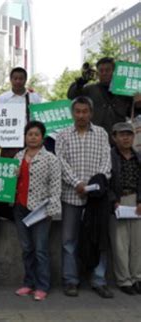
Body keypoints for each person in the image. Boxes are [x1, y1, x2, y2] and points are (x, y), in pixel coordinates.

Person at [55, 96, 112, 298]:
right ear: (72, 113)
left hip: (97, 198)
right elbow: (60, 162)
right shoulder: (62, 135)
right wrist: (77, 183)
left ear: (91, 113)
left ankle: (99, 280)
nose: (81, 115)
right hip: (72, 195)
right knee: (69, 240)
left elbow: (106, 161)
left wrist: (95, 184)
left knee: (99, 239)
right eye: (77, 111)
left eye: (85, 111)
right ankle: (71, 280)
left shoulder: (102, 134)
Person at [13, 121, 61, 301]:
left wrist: (52, 208)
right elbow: (9, 183)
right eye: (29, 134)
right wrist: (13, 175)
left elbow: (55, 186)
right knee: (26, 249)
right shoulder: (18, 156)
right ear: (24, 137)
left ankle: (42, 286)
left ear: (42, 137)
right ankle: (28, 283)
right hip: (20, 208)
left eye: (36, 134)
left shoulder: (51, 158)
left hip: (40, 211)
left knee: (41, 249)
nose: (32, 137)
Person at [67, 57, 141, 138]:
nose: (104, 73)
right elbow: (71, 95)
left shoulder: (123, 91)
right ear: (98, 73)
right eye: (101, 71)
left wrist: (138, 104)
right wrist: (82, 81)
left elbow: (132, 114)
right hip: (96, 137)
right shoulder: (90, 89)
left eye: (108, 70)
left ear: (114, 72)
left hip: (118, 138)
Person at [108, 122, 141, 295]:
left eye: (129, 134)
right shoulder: (109, 156)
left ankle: (137, 277)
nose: (126, 137)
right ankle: (124, 280)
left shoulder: (138, 157)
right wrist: (114, 201)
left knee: (137, 243)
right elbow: (106, 182)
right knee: (120, 244)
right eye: (122, 134)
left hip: (136, 202)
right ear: (114, 137)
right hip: (118, 203)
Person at [0, 67, 43, 158]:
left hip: (30, 139)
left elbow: (39, 117)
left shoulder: (34, 97)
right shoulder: (3, 98)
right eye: (15, 78)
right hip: (10, 140)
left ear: (25, 80)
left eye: (21, 79)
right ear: (11, 80)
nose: (18, 81)